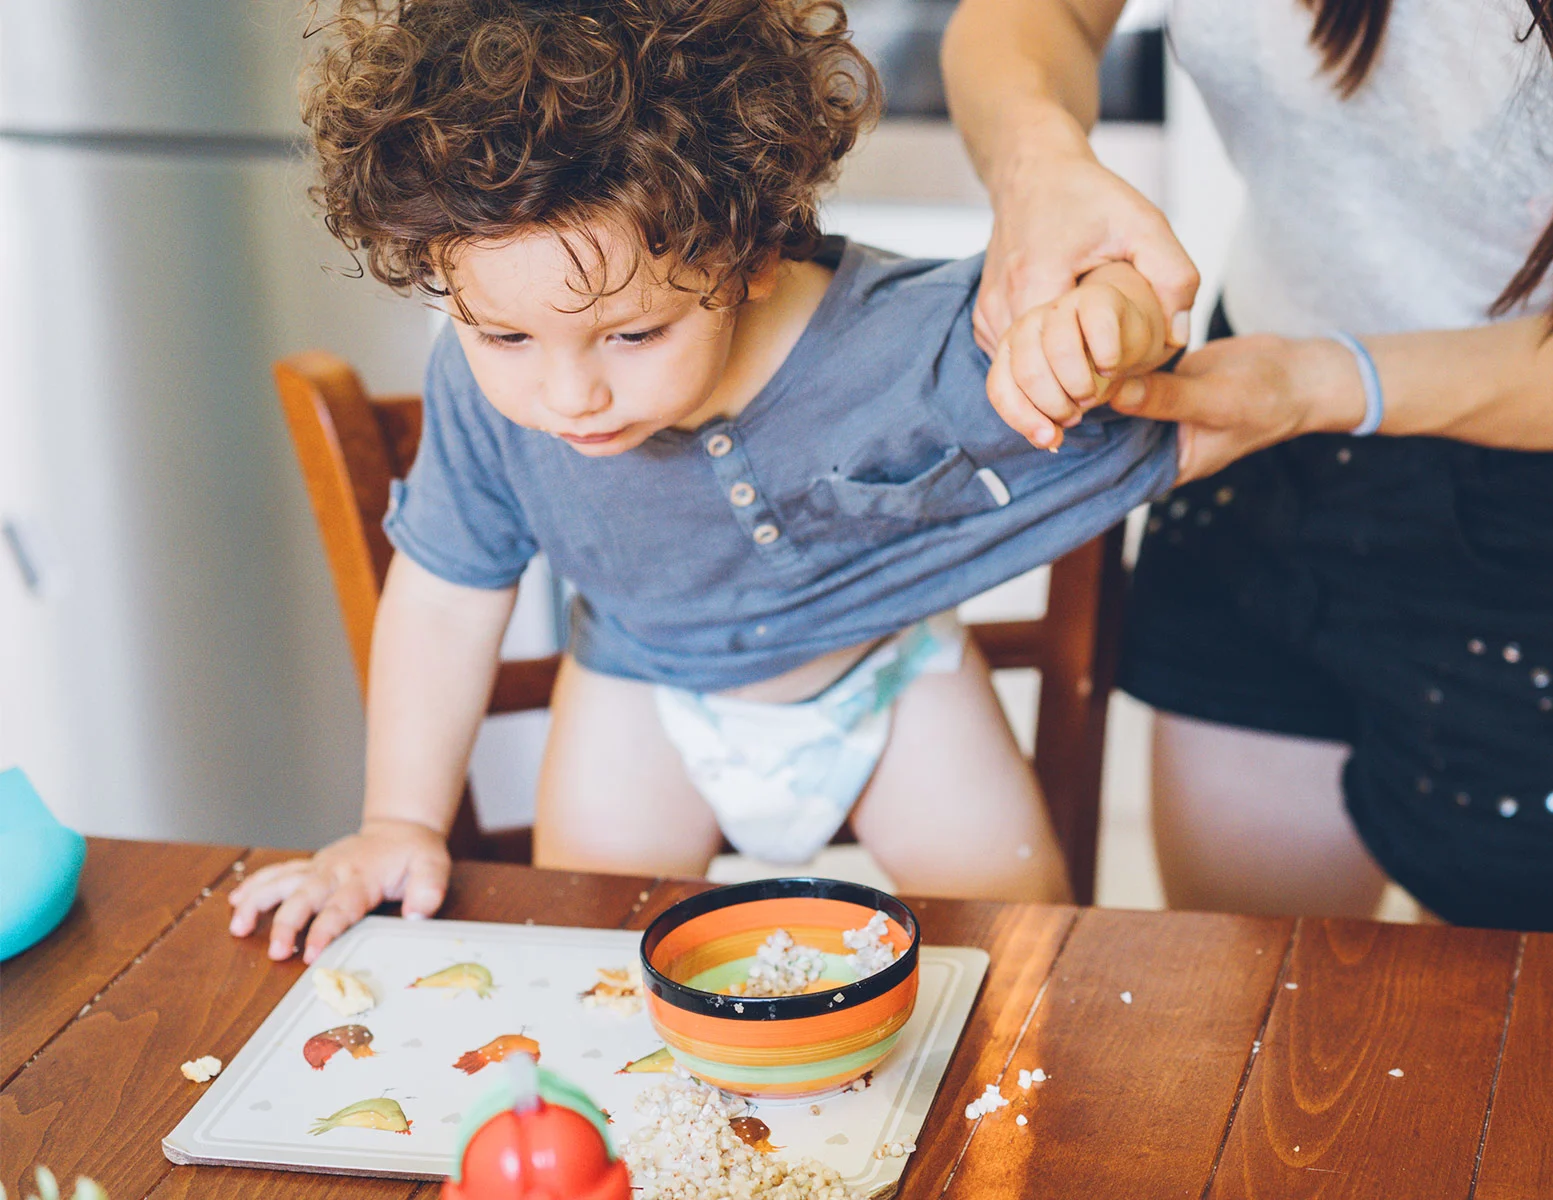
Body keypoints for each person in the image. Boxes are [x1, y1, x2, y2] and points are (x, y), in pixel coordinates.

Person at [229, 0, 1180, 963]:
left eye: (634, 334)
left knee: (1024, 958)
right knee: (588, 967)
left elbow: (1104, 314)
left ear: (752, 255)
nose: (570, 396)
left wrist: (1106, 316)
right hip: (638, 694)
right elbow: (442, 599)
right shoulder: (485, 398)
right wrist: (398, 819)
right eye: (504, 337)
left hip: (887, 680)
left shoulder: (907, 338)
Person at [943, 0, 1553, 933]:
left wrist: (1329, 381)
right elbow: (1038, 19)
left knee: (1548, 1084)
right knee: (1252, 1024)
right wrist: (1038, 159)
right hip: (1266, 446)